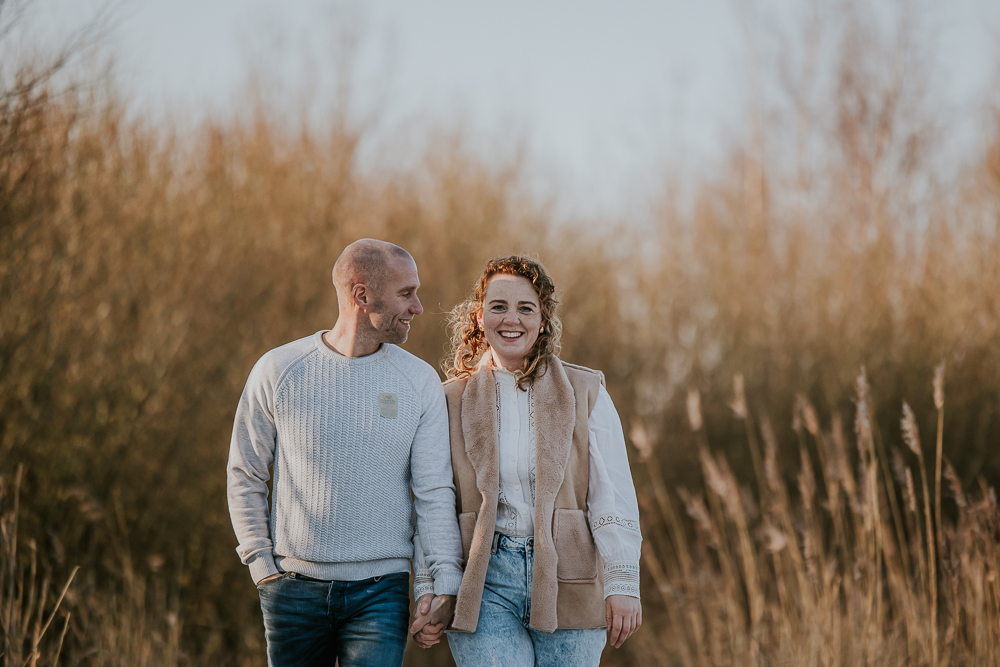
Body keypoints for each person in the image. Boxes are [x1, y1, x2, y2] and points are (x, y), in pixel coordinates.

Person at [227, 239, 463, 667]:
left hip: (382, 592)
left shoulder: (420, 381)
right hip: (291, 590)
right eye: (406, 293)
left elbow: (434, 491)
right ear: (361, 294)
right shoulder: (279, 371)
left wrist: (443, 581)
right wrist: (262, 565)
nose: (419, 307)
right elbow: (245, 474)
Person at [410, 255, 642, 666]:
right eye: (498, 306)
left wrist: (622, 579)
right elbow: (431, 500)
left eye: (525, 308)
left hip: (569, 577)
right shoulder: (447, 400)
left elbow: (612, 492)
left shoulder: (586, 390)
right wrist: (429, 586)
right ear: (480, 317)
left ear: (543, 319)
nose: (510, 319)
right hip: (483, 582)